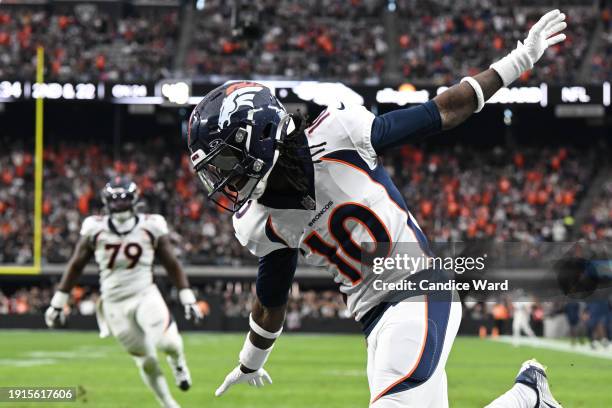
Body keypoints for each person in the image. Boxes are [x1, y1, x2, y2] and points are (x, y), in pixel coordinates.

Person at [187, 9, 567, 408]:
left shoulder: (339, 135)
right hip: (375, 322)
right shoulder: (260, 220)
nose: (221, 179)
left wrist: (521, 58)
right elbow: (271, 297)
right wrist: (251, 360)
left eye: (225, 162)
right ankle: (527, 398)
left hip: (419, 289)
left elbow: (443, 110)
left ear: (260, 137)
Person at [45, 176, 203, 408]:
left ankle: (178, 363)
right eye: (114, 199)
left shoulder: (151, 224)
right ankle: (168, 403)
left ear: (134, 199)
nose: (119, 204)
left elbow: (171, 263)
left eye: (124, 198)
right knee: (146, 360)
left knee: (167, 344)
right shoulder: (94, 228)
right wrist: (57, 303)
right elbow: (76, 264)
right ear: (106, 201)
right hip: (113, 304)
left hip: (144, 294)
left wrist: (187, 297)